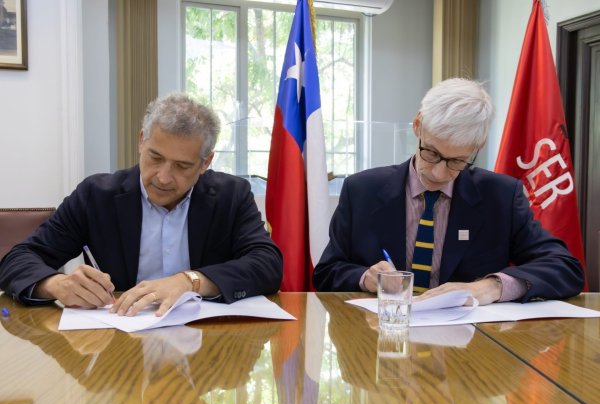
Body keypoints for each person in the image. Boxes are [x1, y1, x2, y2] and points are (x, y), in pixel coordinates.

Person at [0, 93, 283, 315]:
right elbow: (17, 259)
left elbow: (267, 265)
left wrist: (190, 281)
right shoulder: (96, 196)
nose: (163, 177)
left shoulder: (230, 196)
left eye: (182, 166)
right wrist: (56, 285)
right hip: (117, 340)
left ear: (205, 163)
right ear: (141, 141)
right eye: (155, 158)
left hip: (208, 345)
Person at [313, 78, 584, 304]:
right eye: (431, 153)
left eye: (457, 161)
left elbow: (565, 268)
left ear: (479, 145)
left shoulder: (501, 196)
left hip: (471, 344)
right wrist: (365, 278)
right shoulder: (362, 190)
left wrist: (491, 287)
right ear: (418, 125)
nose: (439, 173)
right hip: (380, 337)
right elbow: (327, 272)